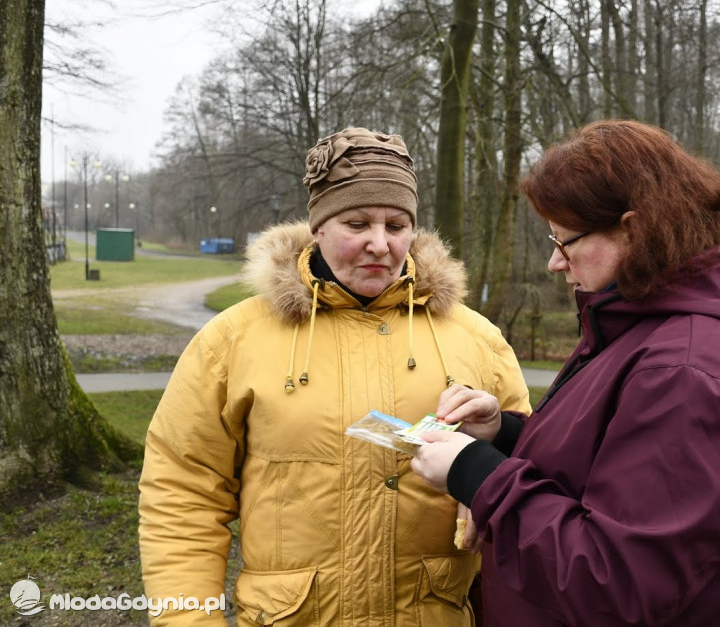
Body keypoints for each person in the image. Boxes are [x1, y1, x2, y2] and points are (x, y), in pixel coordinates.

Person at [411, 119, 720, 626]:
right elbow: (615, 465)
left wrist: (476, 475)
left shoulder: (692, 373)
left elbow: (615, 583)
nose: (555, 264)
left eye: (565, 242)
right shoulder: (650, 327)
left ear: (634, 228)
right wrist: (504, 434)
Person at [138, 127, 532, 626]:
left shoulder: (478, 340)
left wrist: (484, 486)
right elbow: (182, 494)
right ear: (318, 226)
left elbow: (535, 474)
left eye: (396, 224)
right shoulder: (233, 341)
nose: (379, 244)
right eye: (357, 222)